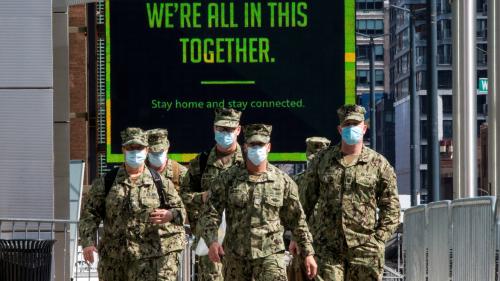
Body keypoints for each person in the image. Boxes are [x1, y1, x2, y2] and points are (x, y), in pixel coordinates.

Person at [199, 124, 317, 281]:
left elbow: (297, 220)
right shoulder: (227, 179)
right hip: (236, 256)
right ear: (245, 147)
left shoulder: (283, 181)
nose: (256, 148)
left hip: (271, 255)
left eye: (260, 145)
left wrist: (308, 253)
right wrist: (212, 241)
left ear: (268, 147)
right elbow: (210, 212)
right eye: (252, 144)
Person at [300, 105, 400, 281]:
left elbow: (391, 209)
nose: (351, 128)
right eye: (347, 125)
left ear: (364, 128)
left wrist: (378, 240)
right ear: (340, 129)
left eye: (356, 124)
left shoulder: (379, 165)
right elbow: (304, 204)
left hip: (365, 249)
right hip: (327, 249)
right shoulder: (323, 161)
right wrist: (300, 240)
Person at [79, 127, 187, 281]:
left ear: (146, 150)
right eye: (130, 148)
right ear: (123, 150)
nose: (135, 152)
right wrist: (88, 243)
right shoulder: (107, 182)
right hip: (114, 263)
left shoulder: (160, 183)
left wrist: (170, 214)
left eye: (139, 148)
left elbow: (181, 211)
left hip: (149, 263)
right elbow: (89, 214)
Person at [180, 108, 244, 281]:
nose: (225, 133)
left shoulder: (248, 163)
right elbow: (182, 197)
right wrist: (203, 197)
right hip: (210, 239)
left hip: (242, 241)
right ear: (214, 129)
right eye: (221, 129)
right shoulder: (200, 163)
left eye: (230, 129)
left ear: (238, 130)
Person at [287, 136, 330, 281]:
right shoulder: (297, 181)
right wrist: (294, 238)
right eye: (312, 158)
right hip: (303, 245)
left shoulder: (333, 182)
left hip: (329, 246)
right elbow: (291, 214)